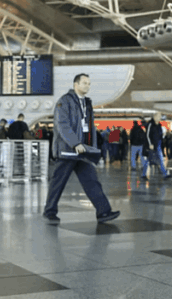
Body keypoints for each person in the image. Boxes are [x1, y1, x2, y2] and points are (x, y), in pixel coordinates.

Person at [42, 74, 120, 223]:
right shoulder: (65, 101)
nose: (87, 86)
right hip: (68, 150)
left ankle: (103, 212)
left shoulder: (87, 103)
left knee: (92, 181)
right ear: (75, 85)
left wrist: (91, 148)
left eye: (89, 83)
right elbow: (62, 124)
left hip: (83, 151)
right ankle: (49, 211)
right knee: (58, 183)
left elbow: (89, 128)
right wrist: (75, 143)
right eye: (84, 83)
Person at [142, 114, 172, 180]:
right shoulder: (150, 124)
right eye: (158, 116)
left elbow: (159, 135)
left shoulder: (159, 125)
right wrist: (150, 144)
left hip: (158, 145)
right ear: (154, 117)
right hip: (152, 145)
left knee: (161, 160)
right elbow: (147, 135)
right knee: (147, 160)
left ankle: (165, 174)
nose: (159, 118)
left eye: (160, 117)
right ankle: (143, 174)